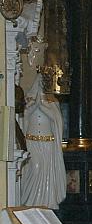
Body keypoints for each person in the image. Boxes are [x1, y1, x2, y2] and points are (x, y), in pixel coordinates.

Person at [19, 73, 66, 210]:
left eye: (43, 83)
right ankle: (29, 200)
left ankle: (46, 200)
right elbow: (25, 116)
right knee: (35, 167)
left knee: (46, 169)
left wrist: (43, 106)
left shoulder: (52, 102)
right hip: (32, 141)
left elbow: (56, 119)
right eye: (38, 82)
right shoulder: (28, 100)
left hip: (47, 142)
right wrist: (35, 105)